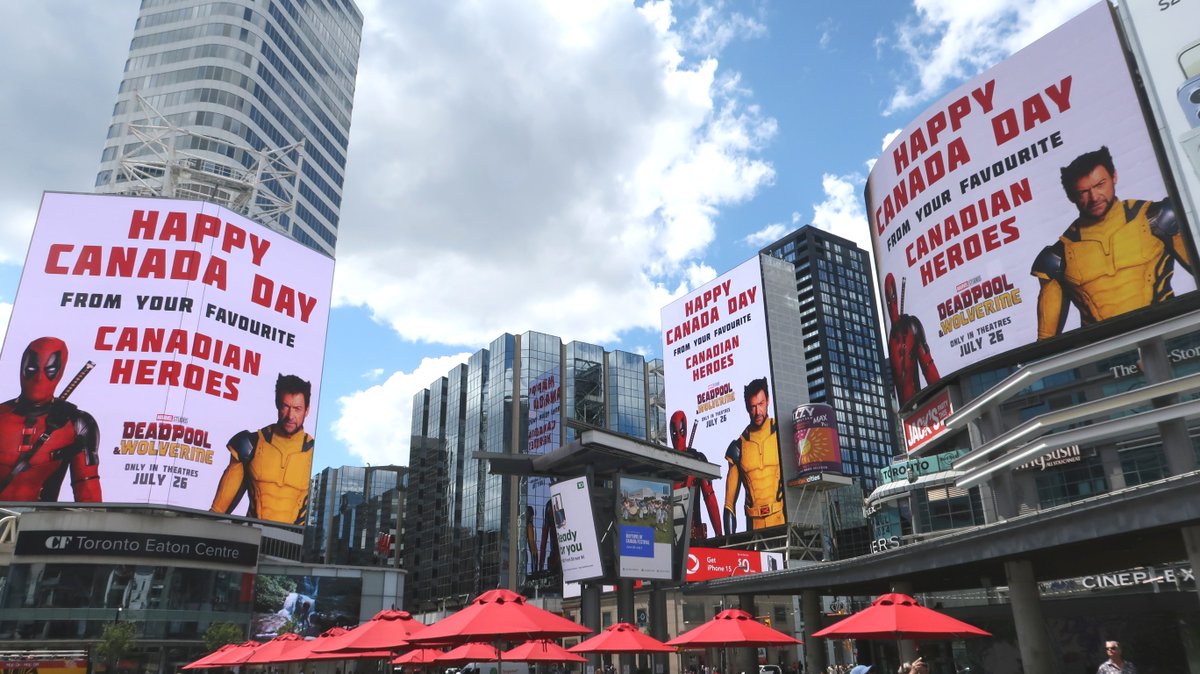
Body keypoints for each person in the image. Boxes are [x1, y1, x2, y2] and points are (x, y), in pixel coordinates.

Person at [1033, 146, 1191, 340]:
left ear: (1114, 177)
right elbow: (1045, 340)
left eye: (1100, 184)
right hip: (1108, 357)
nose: (1094, 197)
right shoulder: (1057, 256)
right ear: (1071, 196)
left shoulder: (1157, 217)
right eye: (1084, 191)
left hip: (1175, 336)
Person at [0, 337, 101, 502]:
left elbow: (87, 488)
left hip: (39, 523)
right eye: (32, 369)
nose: (39, 378)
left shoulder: (77, 423)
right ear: (22, 368)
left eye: (50, 370)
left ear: (60, 373)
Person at [211, 374, 315, 524]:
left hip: (292, 542)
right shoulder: (250, 443)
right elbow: (218, 510)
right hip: (250, 537)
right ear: (277, 404)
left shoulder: (314, 453)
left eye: (297, 409)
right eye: (286, 407)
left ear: (307, 410)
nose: (291, 415)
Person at [723, 378, 784, 533]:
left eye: (761, 404)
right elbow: (729, 504)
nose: (758, 412)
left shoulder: (782, 433)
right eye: (753, 407)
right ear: (747, 408)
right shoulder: (739, 446)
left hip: (782, 520)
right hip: (754, 527)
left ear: (768, 401)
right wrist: (731, 545)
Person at [884, 273, 940, 408]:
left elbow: (928, 366)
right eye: (889, 298)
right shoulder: (891, 339)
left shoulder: (911, 326)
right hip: (906, 411)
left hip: (918, 402)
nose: (891, 301)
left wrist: (942, 394)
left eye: (892, 296)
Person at [669, 410, 723, 539]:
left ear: (685, 430)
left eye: (680, 432)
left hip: (694, 531)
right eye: (674, 433)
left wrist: (719, 534)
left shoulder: (697, 459)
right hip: (673, 532)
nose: (677, 437)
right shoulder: (666, 461)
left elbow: (710, 497)